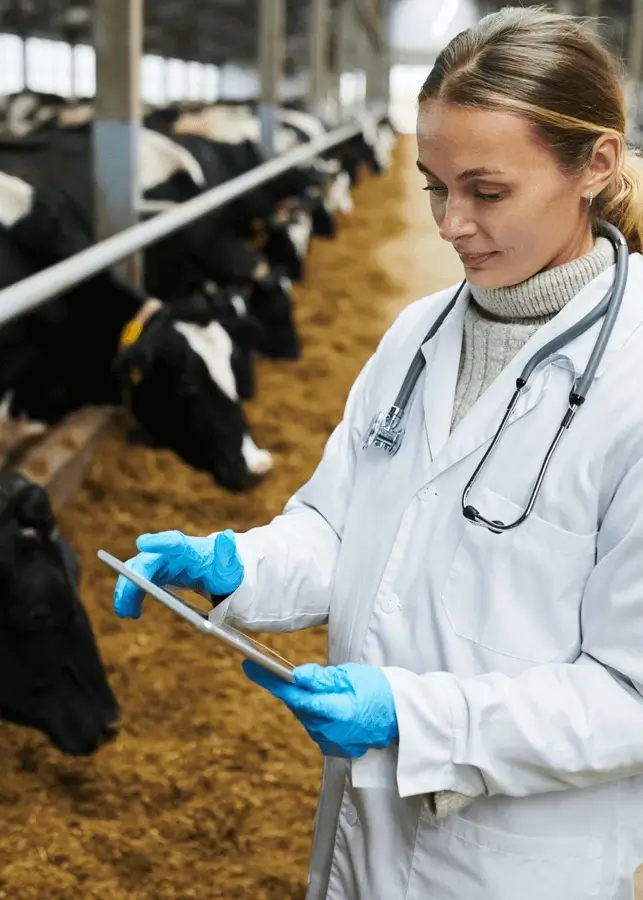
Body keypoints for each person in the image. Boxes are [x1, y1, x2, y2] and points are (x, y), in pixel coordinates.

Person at [112, 7, 643, 899]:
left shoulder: (631, 381)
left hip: (515, 860)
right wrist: (238, 564)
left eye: (487, 191)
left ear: (593, 165)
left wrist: (413, 716)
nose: (449, 225)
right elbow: (337, 522)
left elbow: (629, 698)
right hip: (362, 833)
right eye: (435, 187)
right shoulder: (415, 333)